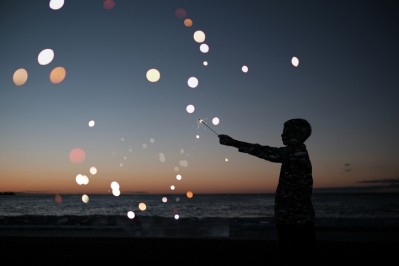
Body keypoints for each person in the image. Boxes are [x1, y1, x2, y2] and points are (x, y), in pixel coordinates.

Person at [218, 118, 316, 265]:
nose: (282, 135)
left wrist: (234, 143)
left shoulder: (296, 154)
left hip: (296, 222)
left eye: (286, 132)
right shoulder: (295, 153)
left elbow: (267, 152)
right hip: (291, 219)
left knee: (294, 259)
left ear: (298, 134)